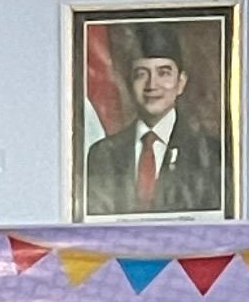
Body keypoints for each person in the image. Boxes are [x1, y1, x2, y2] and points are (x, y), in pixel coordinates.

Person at [85, 39, 226, 217]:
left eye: (164, 73)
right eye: (141, 74)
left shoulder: (211, 153)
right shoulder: (102, 154)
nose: (152, 85)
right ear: (129, 83)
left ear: (181, 82)